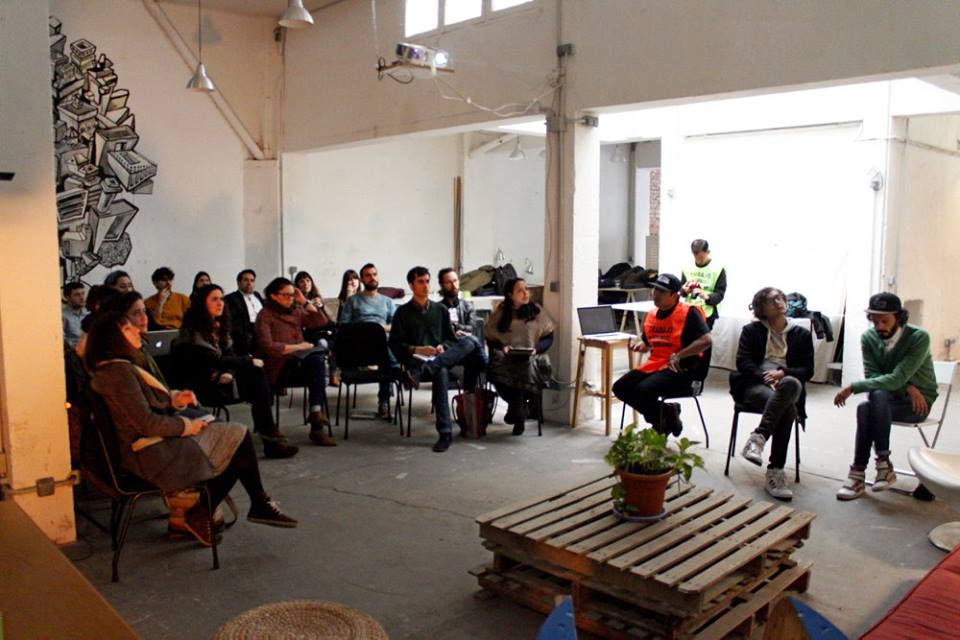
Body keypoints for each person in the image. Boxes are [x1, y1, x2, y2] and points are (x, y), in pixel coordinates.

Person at [86, 310, 296, 546]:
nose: (137, 330)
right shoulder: (118, 373)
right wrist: (187, 426)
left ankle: (234, 506)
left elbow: (141, 408)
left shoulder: (114, 370)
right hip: (150, 454)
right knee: (238, 440)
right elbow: (146, 422)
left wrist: (174, 399)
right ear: (112, 338)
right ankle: (219, 508)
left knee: (236, 438)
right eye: (127, 328)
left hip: (149, 446)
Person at [834, 293, 938, 501]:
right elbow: (874, 376)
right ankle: (882, 465)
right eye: (874, 320)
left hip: (916, 403)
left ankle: (858, 474)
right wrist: (907, 386)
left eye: (885, 320)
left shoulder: (918, 337)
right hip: (887, 398)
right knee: (873, 399)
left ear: (899, 317)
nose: (879, 326)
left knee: (869, 405)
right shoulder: (869, 337)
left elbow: (897, 378)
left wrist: (854, 387)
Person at [176, 284, 299, 459]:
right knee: (255, 374)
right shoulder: (192, 332)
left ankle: (270, 437)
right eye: (214, 299)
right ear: (202, 303)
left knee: (257, 374)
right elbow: (212, 360)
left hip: (224, 380)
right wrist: (246, 362)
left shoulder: (220, 327)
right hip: (203, 384)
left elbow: (230, 356)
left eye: (221, 299)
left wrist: (230, 372)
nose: (220, 303)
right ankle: (270, 436)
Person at [390, 266, 486, 453]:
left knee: (469, 341)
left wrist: (443, 347)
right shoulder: (402, 313)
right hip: (416, 360)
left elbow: (450, 338)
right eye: (420, 282)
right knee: (441, 371)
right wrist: (417, 349)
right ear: (411, 285)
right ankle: (445, 433)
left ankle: (423, 373)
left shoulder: (439, 310)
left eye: (427, 281)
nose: (425, 286)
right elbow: (394, 344)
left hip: (437, 358)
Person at [731, 287, 814, 501]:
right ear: (761, 308)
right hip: (757, 384)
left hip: (788, 384)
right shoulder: (752, 331)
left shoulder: (802, 334)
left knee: (790, 384)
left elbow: (808, 370)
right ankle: (775, 471)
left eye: (779, 298)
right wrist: (764, 376)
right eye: (771, 300)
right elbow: (743, 362)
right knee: (787, 409)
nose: (778, 302)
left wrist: (782, 373)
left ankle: (758, 438)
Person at [612, 273, 712, 436]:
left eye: (661, 291)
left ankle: (661, 424)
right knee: (620, 387)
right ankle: (666, 413)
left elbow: (706, 341)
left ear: (674, 295)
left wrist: (679, 355)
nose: (655, 294)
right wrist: (641, 346)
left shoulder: (688, 313)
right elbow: (648, 343)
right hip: (656, 365)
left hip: (682, 369)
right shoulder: (651, 315)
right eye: (655, 289)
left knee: (644, 390)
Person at [256, 277, 336, 446]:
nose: (290, 299)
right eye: (286, 295)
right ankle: (316, 423)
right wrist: (298, 346)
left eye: (292, 295)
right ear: (273, 296)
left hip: (301, 363)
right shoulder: (264, 315)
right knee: (315, 364)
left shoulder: (295, 311)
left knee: (317, 361)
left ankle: (316, 417)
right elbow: (268, 347)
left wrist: (304, 301)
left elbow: (321, 322)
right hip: (278, 367)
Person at [484, 278, 555, 435]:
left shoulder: (536, 311)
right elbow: (490, 337)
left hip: (532, 356)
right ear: (510, 295)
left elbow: (549, 337)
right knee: (500, 371)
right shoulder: (501, 312)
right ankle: (519, 409)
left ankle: (517, 413)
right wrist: (502, 347)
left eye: (526, 289)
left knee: (522, 367)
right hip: (507, 356)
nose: (525, 293)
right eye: (520, 291)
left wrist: (536, 349)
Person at [340, 263, 397, 419]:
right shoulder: (353, 301)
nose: (372, 278)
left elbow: (397, 325)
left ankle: (384, 401)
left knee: (388, 345)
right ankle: (397, 370)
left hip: (383, 339)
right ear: (362, 279)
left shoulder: (388, 301)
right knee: (390, 359)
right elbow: (343, 325)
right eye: (368, 275)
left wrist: (381, 328)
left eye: (374, 274)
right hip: (360, 342)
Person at [681, 239, 727, 330]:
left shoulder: (718, 269)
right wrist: (684, 290)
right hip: (688, 310)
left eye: (701, 258)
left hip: (707, 312)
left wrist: (707, 296)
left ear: (708, 252)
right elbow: (681, 290)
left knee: (703, 337)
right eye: (696, 257)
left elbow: (720, 293)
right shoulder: (687, 268)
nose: (699, 261)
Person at [330, 269, 361, 387]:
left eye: (355, 278)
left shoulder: (364, 297)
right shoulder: (340, 300)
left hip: (362, 330)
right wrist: (349, 297)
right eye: (349, 279)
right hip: (344, 331)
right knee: (336, 341)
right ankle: (334, 374)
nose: (352, 282)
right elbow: (339, 320)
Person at [224, 269, 263, 357]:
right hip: (244, 337)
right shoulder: (231, 298)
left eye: (252, 280)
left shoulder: (257, 296)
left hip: (261, 333)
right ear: (238, 282)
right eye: (246, 280)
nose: (249, 283)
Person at [438, 268, 477, 337]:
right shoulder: (437, 308)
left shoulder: (468, 306)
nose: (454, 285)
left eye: (455, 281)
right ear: (441, 285)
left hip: (465, 339)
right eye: (449, 282)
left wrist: (456, 326)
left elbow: (472, 328)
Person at [62, 282, 89, 348]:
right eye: (77, 295)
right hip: (72, 350)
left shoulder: (88, 313)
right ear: (67, 297)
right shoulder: (63, 316)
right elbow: (62, 339)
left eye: (83, 293)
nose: (82, 297)